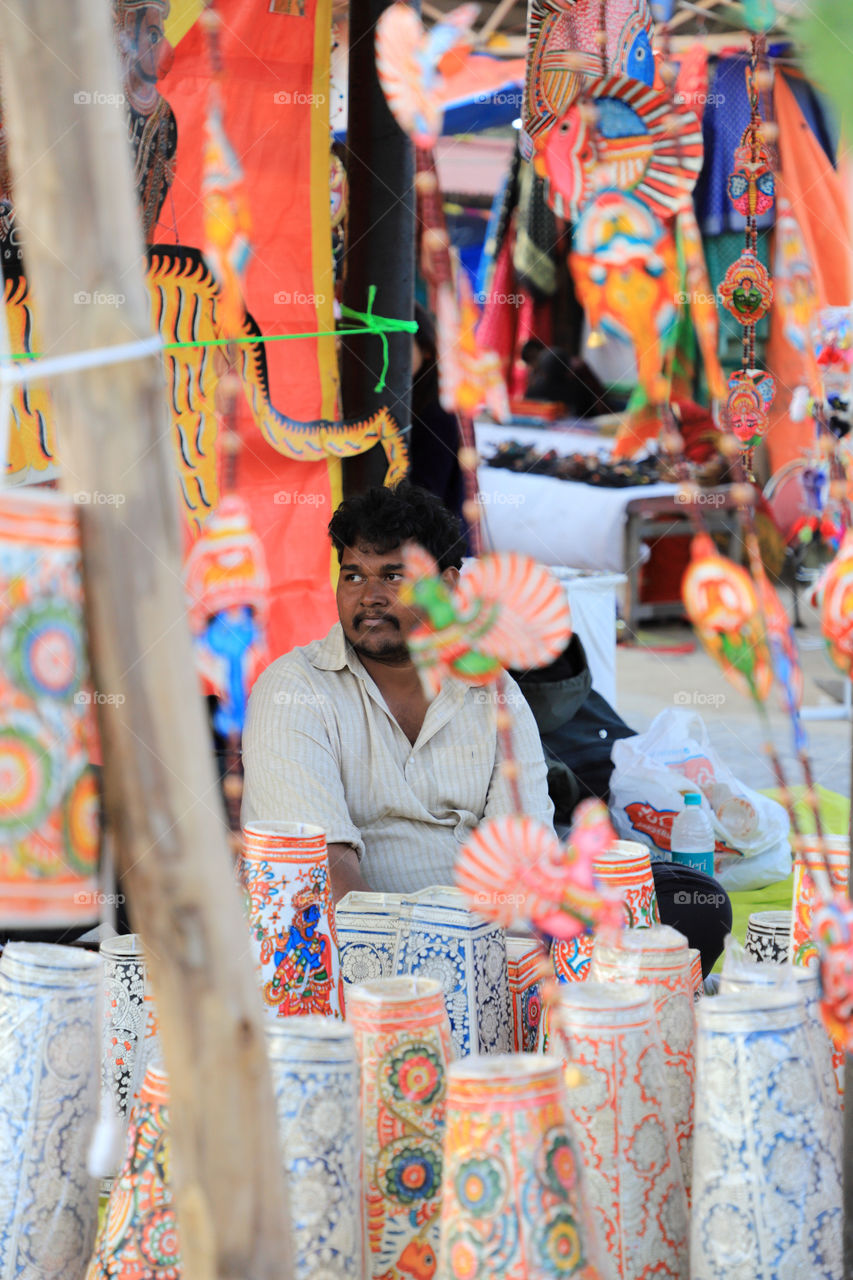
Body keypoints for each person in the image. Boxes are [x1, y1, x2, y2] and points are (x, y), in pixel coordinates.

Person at [241, 482, 552, 900]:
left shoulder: (492, 690)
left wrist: (500, 949)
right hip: (349, 947)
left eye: (393, 577)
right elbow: (318, 871)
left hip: (485, 939)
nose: (370, 597)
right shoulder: (294, 689)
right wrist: (419, 950)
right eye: (353, 576)